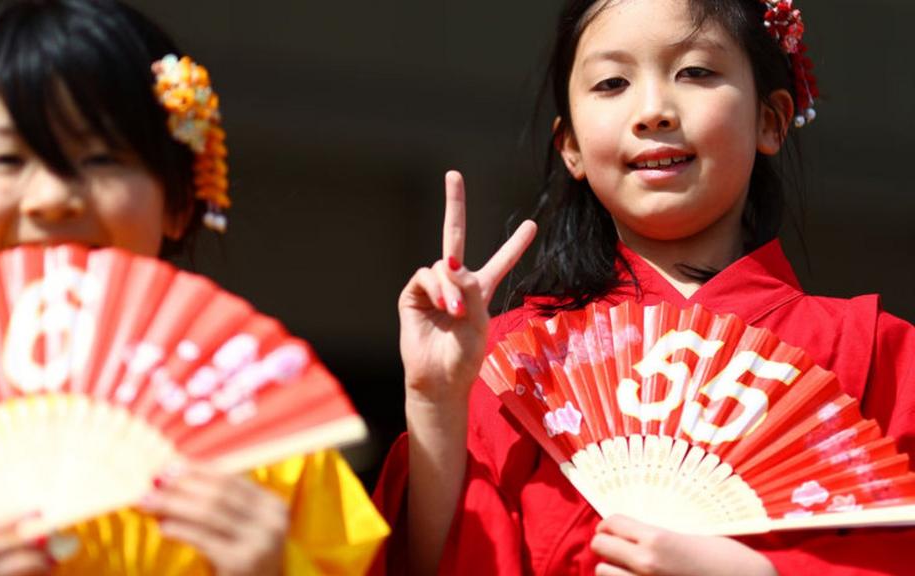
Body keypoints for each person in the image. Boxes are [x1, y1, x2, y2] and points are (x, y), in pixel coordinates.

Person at [375, 0, 915, 574]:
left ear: (770, 120)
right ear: (572, 148)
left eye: (697, 72)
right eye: (612, 83)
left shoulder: (877, 353)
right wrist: (434, 403)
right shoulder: (513, 362)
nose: (653, 111)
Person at [0, 0, 387, 574]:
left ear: (179, 201)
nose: (52, 197)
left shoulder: (260, 424)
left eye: (101, 157)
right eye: (7, 158)